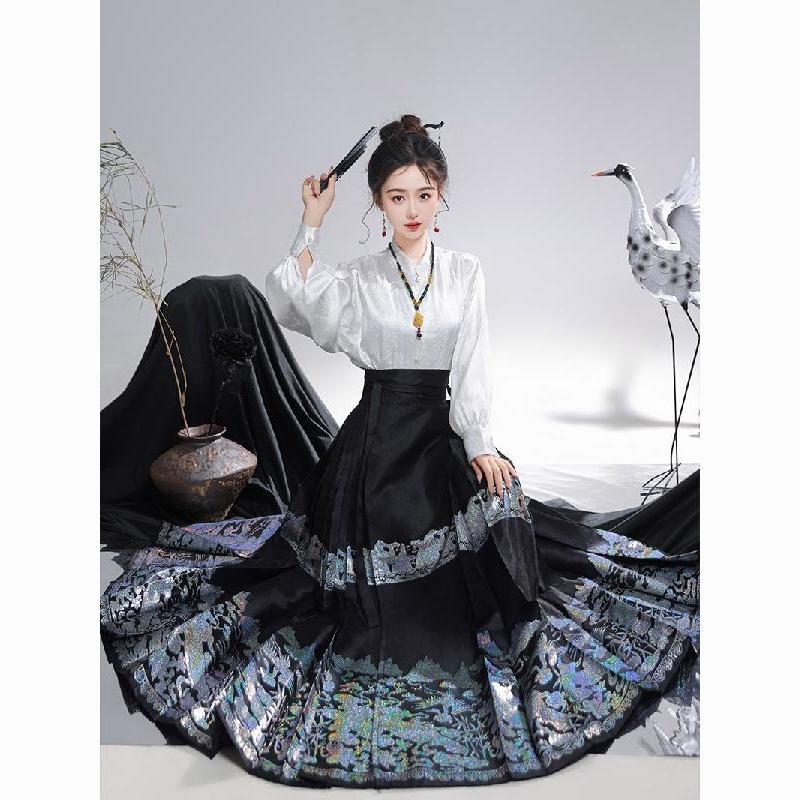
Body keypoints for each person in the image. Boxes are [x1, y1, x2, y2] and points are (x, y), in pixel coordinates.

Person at [100, 115, 699, 789]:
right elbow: (292, 297)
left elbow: (472, 365)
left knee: (501, 530)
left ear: (441, 195)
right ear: (378, 203)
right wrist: (310, 223)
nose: (412, 210)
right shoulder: (360, 279)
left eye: (423, 194)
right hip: (373, 445)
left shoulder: (465, 272)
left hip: (438, 437)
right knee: (353, 580)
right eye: (396, 197)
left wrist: (481, 443)